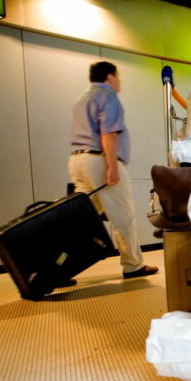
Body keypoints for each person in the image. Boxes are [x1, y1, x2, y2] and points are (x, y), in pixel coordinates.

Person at [68, 61, 158, 279]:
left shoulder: (82, 98)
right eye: (118, 77)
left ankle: (60, 268)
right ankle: (133, 265)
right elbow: (108, 134)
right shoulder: (108, 97)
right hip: (100, 162)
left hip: (77, 162)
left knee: (79, 220)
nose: (119, 82)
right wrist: (112, 168)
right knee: (123, 216)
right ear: (109, 77)